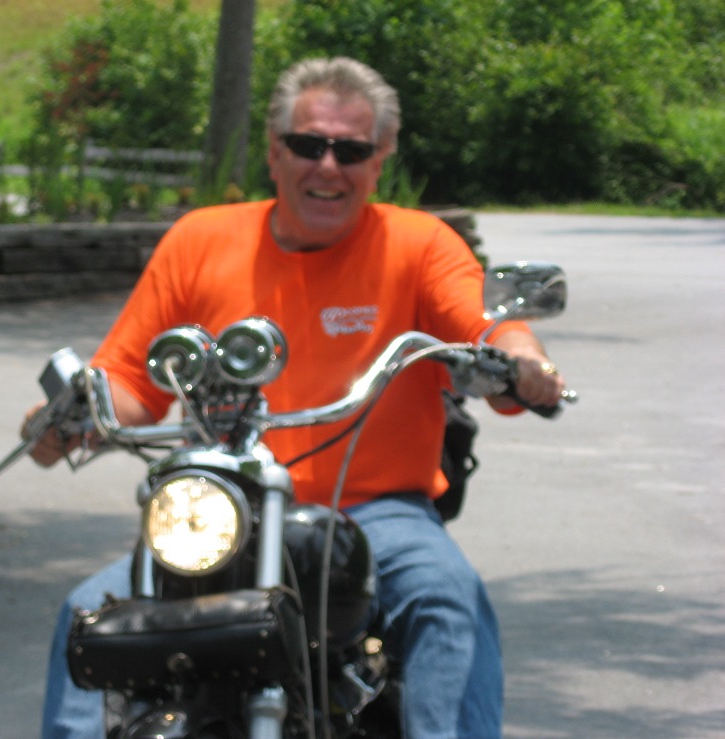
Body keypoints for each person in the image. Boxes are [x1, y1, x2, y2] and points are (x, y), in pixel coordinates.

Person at [29, 56, 565, 739]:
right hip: (225, 514)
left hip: (375, 512)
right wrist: (70, 418)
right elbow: (130, 379)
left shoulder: (419, 244)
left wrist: (523, 360)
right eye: (308, 145)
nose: (327, 166)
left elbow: (481, 324)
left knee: (444, 597)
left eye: (351, 150)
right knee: (89, 614)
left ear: (380, 160)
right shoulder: (200, 240)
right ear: (274, 152)